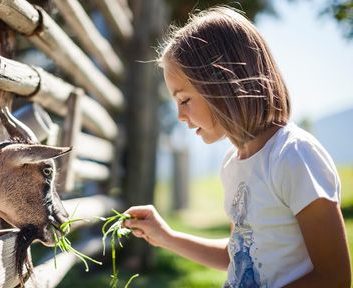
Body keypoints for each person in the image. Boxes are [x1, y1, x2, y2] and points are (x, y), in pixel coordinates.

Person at [123, 6, 351, 287]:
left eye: (184, 100)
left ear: (222, 84)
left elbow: (335, 277)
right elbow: (238, 256)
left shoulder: (293, 155)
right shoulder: (233, 164)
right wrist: (167, 237)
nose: (180, 116)